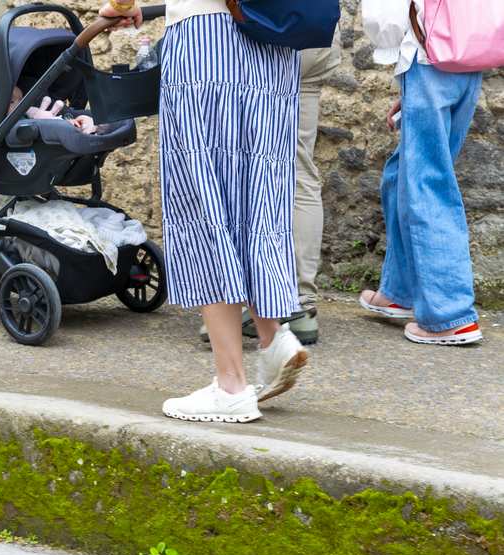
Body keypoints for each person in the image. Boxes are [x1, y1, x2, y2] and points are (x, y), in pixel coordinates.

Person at [101, 0, 309, 423]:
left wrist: (122, 7)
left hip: (206, 46)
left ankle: (231, 385)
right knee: (258, 196)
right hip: (274, 47)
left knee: (203, 201)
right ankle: (273, 337)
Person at [198, 40, 342, 346]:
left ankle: (241, 303)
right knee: (300, 169)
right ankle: (299, 305)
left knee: (244, 165)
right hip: (314, 30)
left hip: (267, 36)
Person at [359, 0, 484, 345]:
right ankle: (402, 291)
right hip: (466, 57)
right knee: (401, 174)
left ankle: (448, 314)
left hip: (430, 57)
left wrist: (400, 56)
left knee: (427, 184)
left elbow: (386, 13)